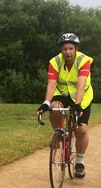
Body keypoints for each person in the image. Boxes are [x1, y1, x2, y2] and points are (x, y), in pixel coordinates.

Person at [37, 33, 94, 178]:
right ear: (61, 50)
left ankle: (80, 162)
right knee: (55, 107)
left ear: (76, 49)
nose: (68, 52)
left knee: (81, 129)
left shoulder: (83, 60)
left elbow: (81, 84)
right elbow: (51, 84)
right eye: (64, 49)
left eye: (71, 49)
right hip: (62, 94)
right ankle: (59, 135)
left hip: (82, 97)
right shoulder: (55, 62)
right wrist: (46, 102)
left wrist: (78, 104)